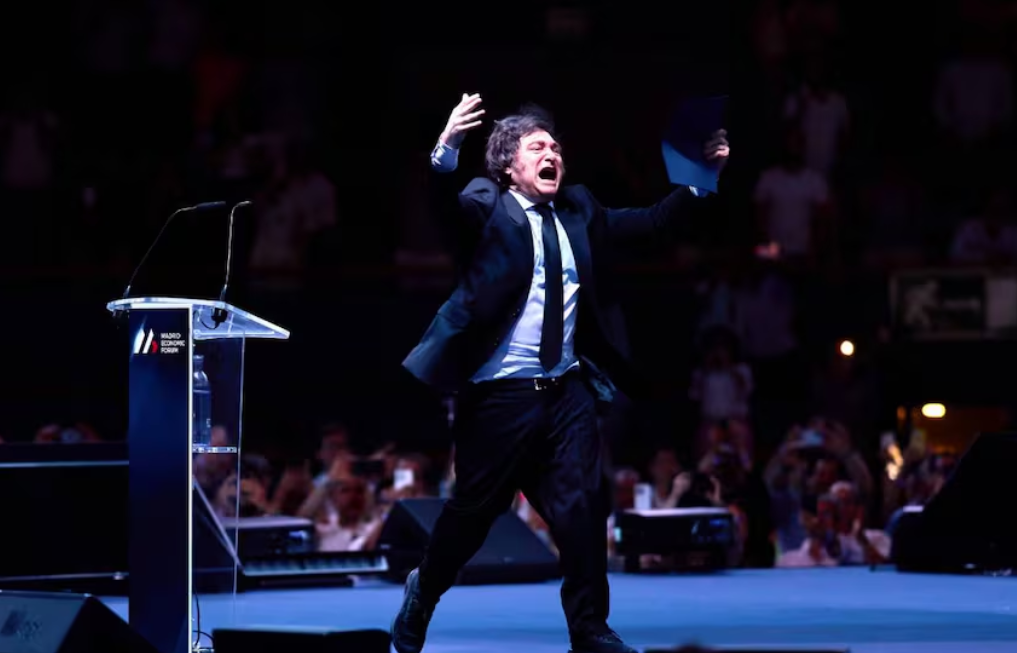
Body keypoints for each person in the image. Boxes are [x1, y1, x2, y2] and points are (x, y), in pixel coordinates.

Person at [391, 93, 729, 653]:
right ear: (509, 166)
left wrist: (700, 178)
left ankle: (589, 629)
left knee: (582, 510)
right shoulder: (485, 203)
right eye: (537, 147)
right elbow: (444, 209)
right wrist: (447, 146)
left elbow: (650, 223)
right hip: (497, 398)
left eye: (556, 147)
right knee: (471, 518)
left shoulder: (579, 209)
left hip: (565, 393)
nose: (552, 153)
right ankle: (424, 589)